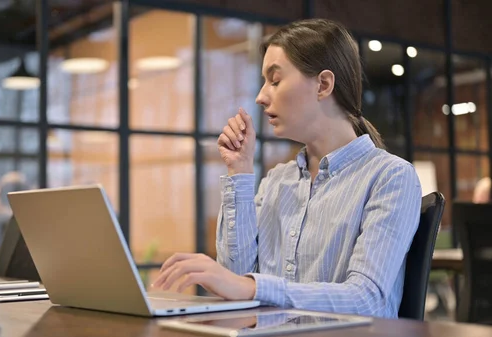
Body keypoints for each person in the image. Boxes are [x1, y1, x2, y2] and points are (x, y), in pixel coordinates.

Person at [152, 19, 422, 319]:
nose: (260, 96)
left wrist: (254, 288)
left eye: (275, 80)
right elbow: (236, 280)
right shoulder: (277, 181)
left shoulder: (390, 177)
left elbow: (366, 299)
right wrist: (240, 172)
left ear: (323, 84)